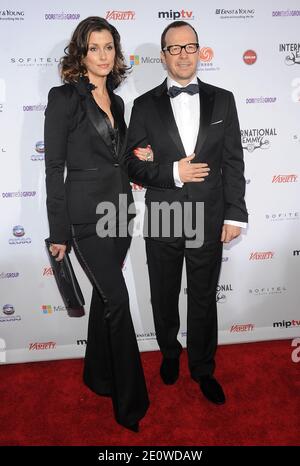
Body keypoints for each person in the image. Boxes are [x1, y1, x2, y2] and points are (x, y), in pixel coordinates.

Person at [124, 21, 248, 405]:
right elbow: (132, 165)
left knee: (203, 296)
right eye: (174, 48)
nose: (182, 54)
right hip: (163, 214)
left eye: (189, 46)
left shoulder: (224, 99)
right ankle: (170, 354)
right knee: (163, 295)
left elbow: (233, 162)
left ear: (199, 51)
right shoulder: (144, 105)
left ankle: (203, 367)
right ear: (163, 56)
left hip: (210, 216)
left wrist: (235, 214)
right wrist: (174, 172)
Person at [44, 16, 150, 432]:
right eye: (94, 48)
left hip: (120, 214)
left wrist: (141, 157)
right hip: (85, 218)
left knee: (106, 301)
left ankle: (97, 376)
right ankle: (131, 404)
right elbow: (54, 168)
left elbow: (118, 160)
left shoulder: (119, 102)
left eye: (109, 47)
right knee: (119, 303)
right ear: (81, 53)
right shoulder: (64, 98)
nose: (103, 55)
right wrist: (59, 232)